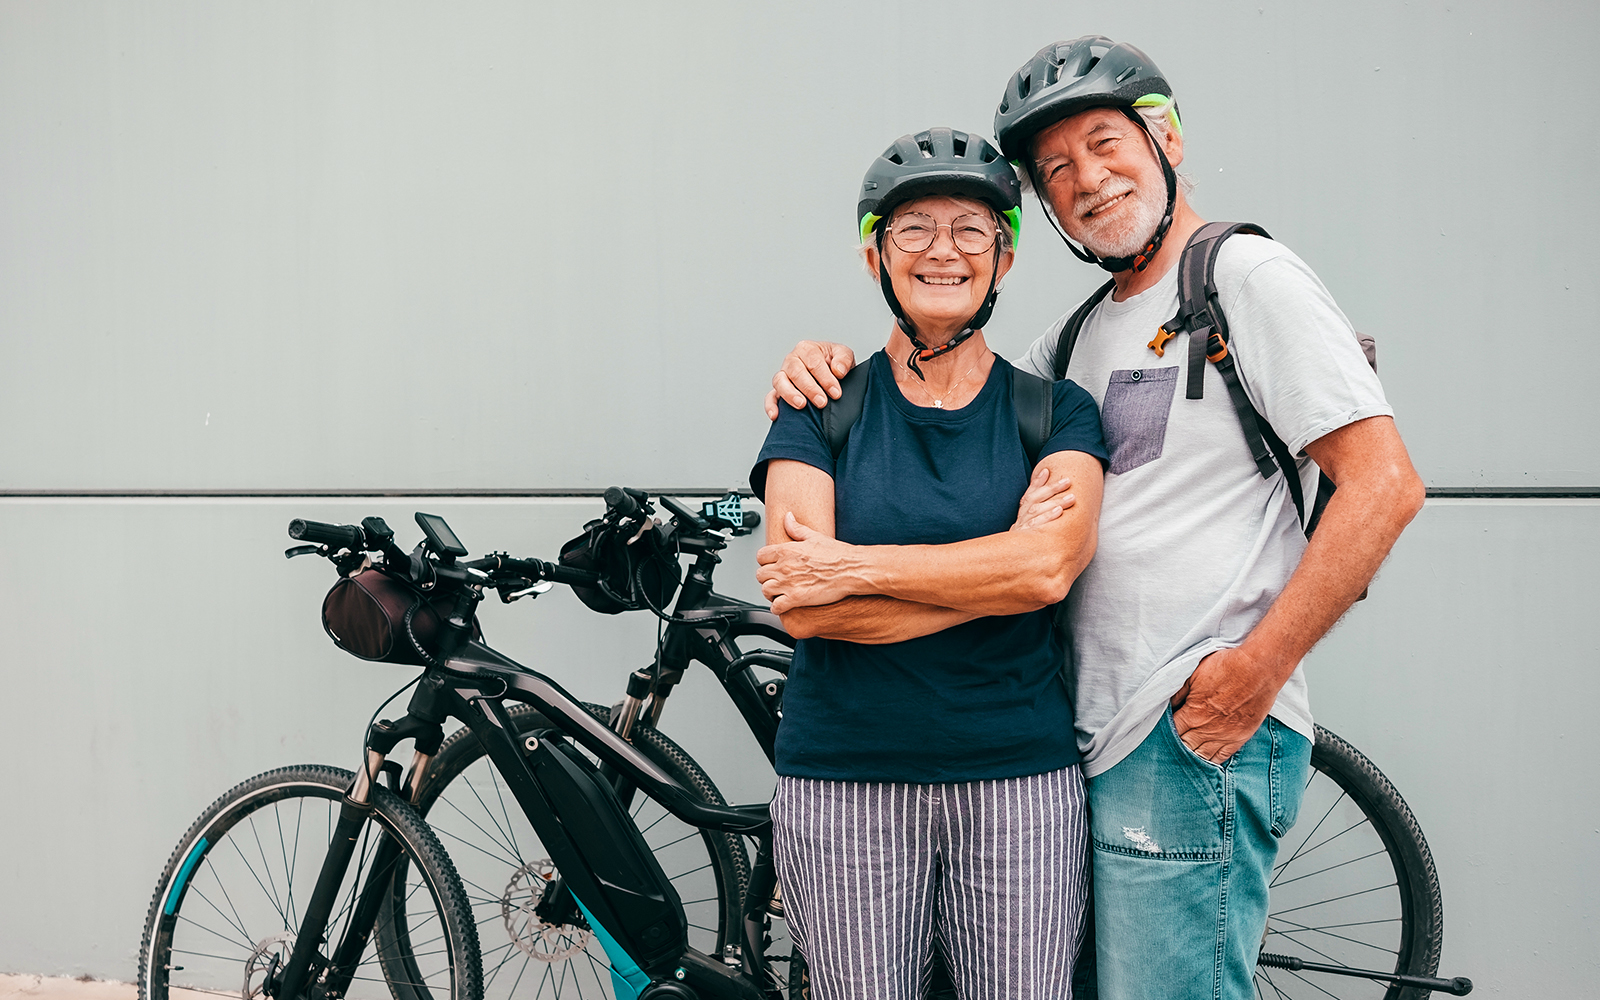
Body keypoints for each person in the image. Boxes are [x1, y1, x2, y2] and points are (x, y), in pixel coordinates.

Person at [762, 38, 1427, 1000]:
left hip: (1191, 724)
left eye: (1106, 144)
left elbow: (1385, 486)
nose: (1087, 180)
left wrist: (1254, 675)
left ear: (1166, 139)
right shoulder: (1075, 340)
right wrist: (813, 367)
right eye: (1057, 169)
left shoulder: (1243, 277)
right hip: (1098, 735)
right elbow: (950, 395)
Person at [751, 126, 1109, 999]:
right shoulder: (819, 408)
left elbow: (1046, 574)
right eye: (914, 229)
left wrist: (859, 569)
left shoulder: (1057, 413)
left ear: (1005, 258)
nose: (942, 251)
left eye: (970, 230)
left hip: (1017, 781)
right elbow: (803, 604)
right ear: (875, 251)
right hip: (843, 786)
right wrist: (995, 571)